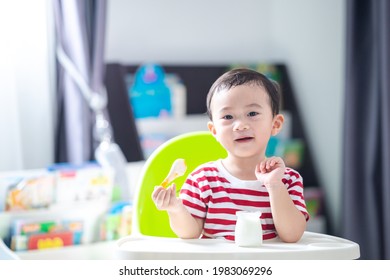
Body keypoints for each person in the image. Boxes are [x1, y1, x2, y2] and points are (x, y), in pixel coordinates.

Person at [152, 68, 309, 243]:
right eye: (228, 116)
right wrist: (175, 209)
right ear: (214, 131)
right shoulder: (202, 179)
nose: (240, 125)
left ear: (275, 124)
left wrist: (274, 185)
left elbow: (293, 235)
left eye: (252, 114)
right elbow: (190, 233)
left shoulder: (287, 179)